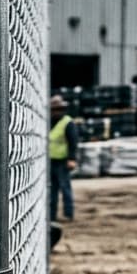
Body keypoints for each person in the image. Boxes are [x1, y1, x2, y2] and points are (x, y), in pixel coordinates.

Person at [48, 93, 79, 222]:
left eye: (58, 109)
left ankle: (68, 214)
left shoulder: (67, 123)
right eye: (54, 110)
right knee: (52, 190)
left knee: (65, 187)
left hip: (63, 160)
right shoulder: (48, 123)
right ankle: (52, 215)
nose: (56, 112)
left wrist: (72, 159)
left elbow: (73, 142)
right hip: (50, 160)